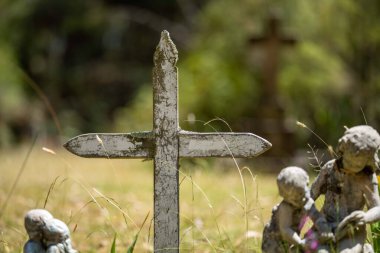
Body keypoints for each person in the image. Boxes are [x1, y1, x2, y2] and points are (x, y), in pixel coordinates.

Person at [311, 125, 380, 253]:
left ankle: (364, 250)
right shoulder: (329, 168)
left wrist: (365, 217)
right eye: (348, 160)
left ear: (368, 162)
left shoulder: (367, 178)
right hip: (323, 225)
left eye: (357, 164)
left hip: (351, 229)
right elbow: (310, 196)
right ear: (343, 150)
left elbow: (377, 208)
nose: (351, 166)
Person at [262, 166, 333, 253]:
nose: (302, 199)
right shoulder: (285, 208)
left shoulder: (307, 201)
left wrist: (324, 229)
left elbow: (316, 216)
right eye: (296, 198)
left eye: (303, 193)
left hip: (293, 237)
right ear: (286, 197)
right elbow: (285, 230)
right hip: (275, 240)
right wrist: (300, 243)